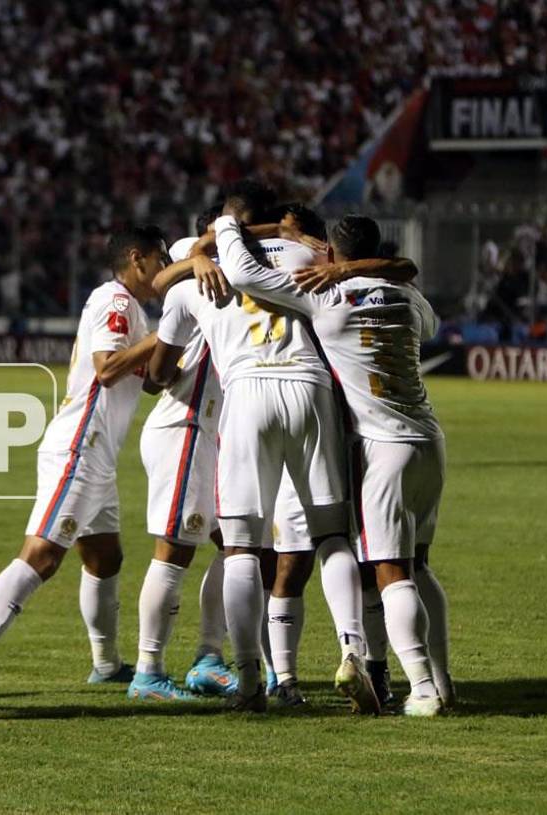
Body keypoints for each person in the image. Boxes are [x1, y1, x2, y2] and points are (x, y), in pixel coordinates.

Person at [210, 212, 453, 716]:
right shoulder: (409, 298)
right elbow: (425, 313)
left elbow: (245, 274)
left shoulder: (325, 294)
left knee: (391, 571)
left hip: (381, 447)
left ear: (330, 255)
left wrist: (229, 226)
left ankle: (423, 689)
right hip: (429, 441)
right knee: (420, 564)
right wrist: (368, 270)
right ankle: (442, 681)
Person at [147, 181, 363, 712]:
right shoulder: (307, 254)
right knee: (331, 535)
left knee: (241, 548)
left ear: (224, 222)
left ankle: (248, 681)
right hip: (309, 386)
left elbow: (159, 365)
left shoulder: (200, 276)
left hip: (245, 395)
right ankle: (350, 653)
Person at [0, 225, 166, 699]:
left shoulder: (134, 311)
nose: (164, 269)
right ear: (136, 258)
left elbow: (147, 380)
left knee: (105, 557)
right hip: (80, 445)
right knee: (42, 553)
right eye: (159, 259)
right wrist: (169, 332)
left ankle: (106, 664)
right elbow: (107, 369)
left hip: (99, 453)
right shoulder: (116, 300)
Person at [128, 208, 237, 702]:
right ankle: (147, 672)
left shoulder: (221, 267)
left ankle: (208, 659)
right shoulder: (194, 266)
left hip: (209, 433)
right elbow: (154, 377)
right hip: (185, 427)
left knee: (236, 545)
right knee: (174, 551)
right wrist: (201, 254)